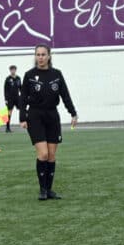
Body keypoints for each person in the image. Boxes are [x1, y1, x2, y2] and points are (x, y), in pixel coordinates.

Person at [19, 44, 78, 201]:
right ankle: (42, 190)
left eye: (43, 54)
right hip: (35, 116)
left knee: (51, 155)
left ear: (49, 56)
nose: (40, 57)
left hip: (52, 116)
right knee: (43, 154)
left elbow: (65, 95)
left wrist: (73, 113)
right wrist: (22, 117)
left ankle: (49, 190)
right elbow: (23, 97)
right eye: (38, 54)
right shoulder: (29, 75)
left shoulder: (56, 74)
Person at [3, 65, 22, 133]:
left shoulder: (18, 78)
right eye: (11, 70)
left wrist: (23, 96)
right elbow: (5, 90)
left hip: (17, 97)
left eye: (14, 69)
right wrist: (6, 99)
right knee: (9, 112)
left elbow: (20, 88)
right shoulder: (8, 79)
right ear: (10, 70)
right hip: (10, 98)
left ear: (15, 70)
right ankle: (7, 128)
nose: (13, 71)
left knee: (22, 109)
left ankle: (24, 124)